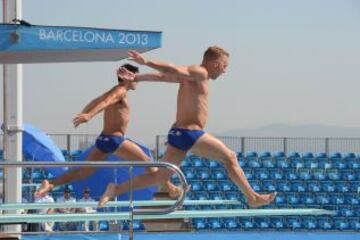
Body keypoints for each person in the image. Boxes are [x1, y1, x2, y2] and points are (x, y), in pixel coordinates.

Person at [99, 46, 277, 208]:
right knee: (230, 157)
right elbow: (172, 68)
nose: (224, 71)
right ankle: (252, 197)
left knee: (160, 176)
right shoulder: (199, 72)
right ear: (215, 63)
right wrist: (146, 62)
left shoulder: (191, 77)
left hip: (178, 134)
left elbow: (164, 77)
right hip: (190, 133)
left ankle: (116, 189)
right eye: (224, 66)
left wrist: (138, 77)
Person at [35, 64, 181, 199]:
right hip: (115, 139)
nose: (138, 81)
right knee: (147, 162)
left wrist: (85, 112)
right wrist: (89, 115)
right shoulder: (121, 91)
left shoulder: (115, 90)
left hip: (104, 140)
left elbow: (96, 100)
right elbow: (105, 103)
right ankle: (169, 187)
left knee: (82, 172)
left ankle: (50, 183)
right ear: (127, 77)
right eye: (136, 77)